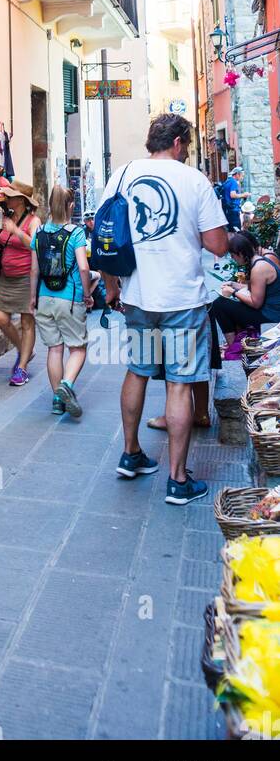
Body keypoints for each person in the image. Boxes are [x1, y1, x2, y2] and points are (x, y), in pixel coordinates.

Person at [99, 113, 229, 506]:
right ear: (177, 143)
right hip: (182, 300)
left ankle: (131, 453)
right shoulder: (194, 180)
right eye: (186, 146)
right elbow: (219, 245)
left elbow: (104, 236)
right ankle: (177, 478)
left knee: (137, 371)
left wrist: (110, 289)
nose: (186, 152)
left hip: (137, 295)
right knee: (180, 383)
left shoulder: (121, 174)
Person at [29, 185, 94, 418]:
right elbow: (84, 268)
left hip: (45, 298)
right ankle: (66, 385)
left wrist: (32, 298)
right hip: (70, 298)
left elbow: (34, 270)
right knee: (78, 348)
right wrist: (87, 295)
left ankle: (57, 401)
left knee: (54, 350)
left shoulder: (38, 233)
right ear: (71, 206)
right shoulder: (75, 233)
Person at [0, 180, 42, 387]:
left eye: (10, 196)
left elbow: (35, 244)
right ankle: (25, 350)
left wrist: (17, 231)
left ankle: (22, 368)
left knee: (27, 322)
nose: (7, 198)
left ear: (21, 200)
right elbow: (0, 238)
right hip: (6, 276)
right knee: (0, 318)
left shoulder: (34, 221)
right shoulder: (6, 216)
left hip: (25, 277)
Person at [209, 229, 280, 371]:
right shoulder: (259, 262)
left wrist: (234, 292)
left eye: (234, 256)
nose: (234, 259)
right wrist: (234, 284)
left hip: (271, 316)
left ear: (241, 253)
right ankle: (235, 345)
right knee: (223, 304)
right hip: (269, 310)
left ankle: (233, 349)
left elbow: (255, 302)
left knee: (219, 305)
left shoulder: (259, 268)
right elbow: (254, 287)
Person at [220, 166, 249, 230]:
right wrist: (244, 195)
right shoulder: (233, 182)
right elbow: (232, 195)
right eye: (242, 175)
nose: (242, 177)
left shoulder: (228, 181)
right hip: (233, 210)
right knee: (236, 230)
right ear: (237, 174)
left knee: (230, 230)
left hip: (227, 210)